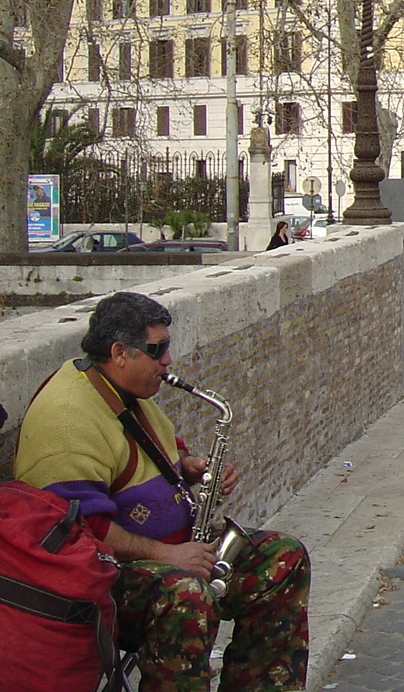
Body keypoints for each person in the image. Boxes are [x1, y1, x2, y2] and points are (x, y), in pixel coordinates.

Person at [14, 291, 310, 691]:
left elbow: (158, 447)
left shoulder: (123, 389)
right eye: (157, 350)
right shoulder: (69, 420)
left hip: (172, 552)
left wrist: (189, 469)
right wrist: (168, 555)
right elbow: (84, 529)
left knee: (283, 557)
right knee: (187, 598)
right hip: (106, 576)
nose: (167, 361)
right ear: (120, 352)